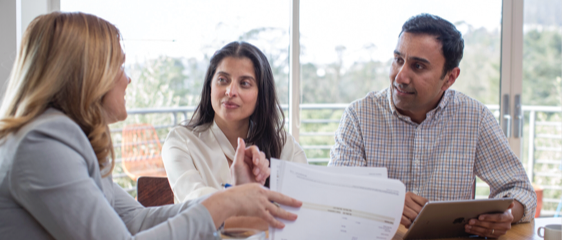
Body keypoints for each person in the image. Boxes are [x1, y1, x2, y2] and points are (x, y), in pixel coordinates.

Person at [0, 12, 301, 239]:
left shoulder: (63, 139)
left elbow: (137, 221)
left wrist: (230, 198)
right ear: (86, 75)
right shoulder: (43, 142)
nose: (127, 78)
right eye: (119, 65)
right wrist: (227, 203)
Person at [329, 13, 536, 238]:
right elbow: (337, 191)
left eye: (418, 66)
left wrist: (506, 215)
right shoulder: (359, 115)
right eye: (398, 59)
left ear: (449, 78)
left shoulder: (475, 118)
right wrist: (385, 201)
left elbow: (521, 190)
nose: (400, 76)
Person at [162, 41, 307, 203]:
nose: (230, 91)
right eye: (223, 80)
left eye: (245, 83)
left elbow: (304, 207)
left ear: (261, 95)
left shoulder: (284, 145)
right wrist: (241, 194)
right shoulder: (181, 141)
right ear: (210, 85)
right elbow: (196, 204)